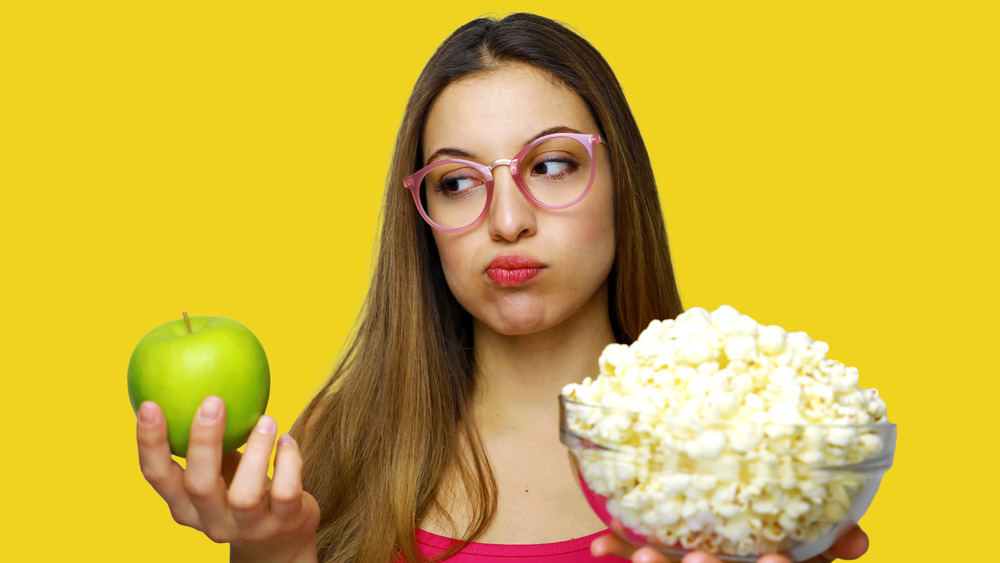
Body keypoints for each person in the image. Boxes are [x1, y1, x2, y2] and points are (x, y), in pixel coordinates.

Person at [135, 13, 871, 563]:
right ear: (423, 218)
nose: (507, 220)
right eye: (457, 182)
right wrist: (272, 554)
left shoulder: (750, 449)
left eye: (551, 165)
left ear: (623, 183)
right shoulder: (340, 439)